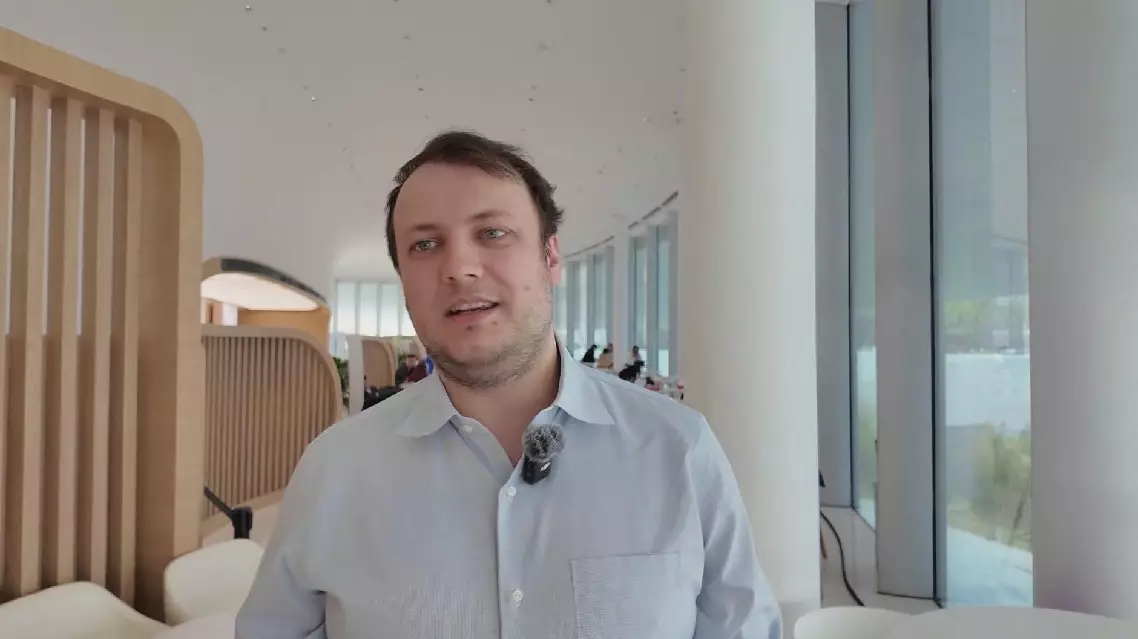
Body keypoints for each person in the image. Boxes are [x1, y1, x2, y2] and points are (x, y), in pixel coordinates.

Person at [235, 130, 779, 639]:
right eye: (425, 245)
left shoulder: (677, 449)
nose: (459, 267)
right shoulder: (337, 471)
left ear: (550, 257)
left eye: (492, 233)